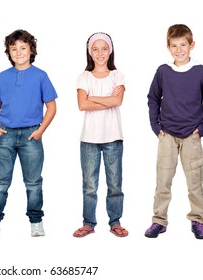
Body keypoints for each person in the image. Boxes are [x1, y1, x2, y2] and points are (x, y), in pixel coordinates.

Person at [145, 24, 203, 239]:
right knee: (163, 181)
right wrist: (156, 126)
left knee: (195, 181)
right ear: (168, 47)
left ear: (191, 45)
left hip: (192, 135)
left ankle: (197, 220)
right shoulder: (163, 71)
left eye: (183, 45)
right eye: (174, 46)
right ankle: (159, 221)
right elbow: (152, 98)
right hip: (167, 134)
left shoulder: (200, 72)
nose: (179, 50)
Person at [0, 29, 58, 237]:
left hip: (31, 135)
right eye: (14, 49)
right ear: (9, 51)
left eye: (23, 48)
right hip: (5, 133)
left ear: (31, 50)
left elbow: (51, 107)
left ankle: (36, 221)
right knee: (0, 180)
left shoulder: (41, 76)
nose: (19, 52)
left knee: (33, 182)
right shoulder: (3, 77)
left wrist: (40, 130)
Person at [72, 32, 128, 238]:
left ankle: (115, 221)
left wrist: (93, 97)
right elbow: (82, 104)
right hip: (89, 139)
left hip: (113, 137)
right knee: (89, 185)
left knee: (115, 184)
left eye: (104, 48)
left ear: (110, 50)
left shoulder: (117, 76)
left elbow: (118, 101)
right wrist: (105, 98)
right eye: (95, 49)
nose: (100, 53)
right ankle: (88, 223)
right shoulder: (83, 77)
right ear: (89, 52)